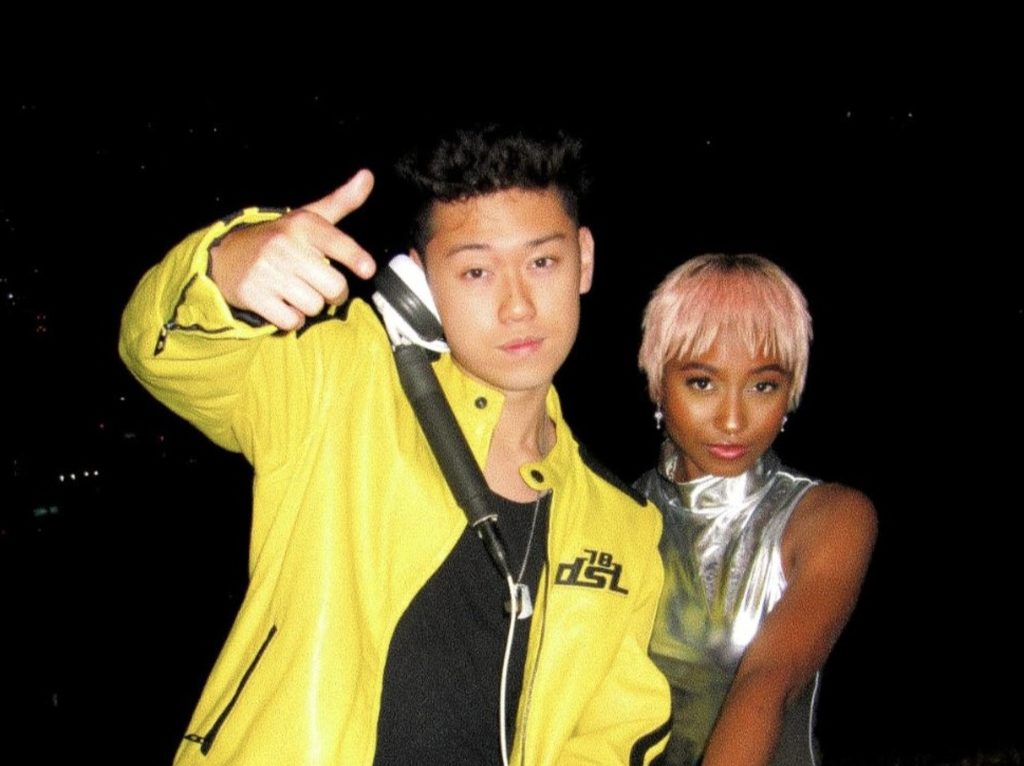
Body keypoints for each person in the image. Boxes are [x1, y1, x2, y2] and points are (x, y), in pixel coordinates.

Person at [118, 124, 671, 765]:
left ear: (585, 260)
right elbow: (160, 351)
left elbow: (613, 735)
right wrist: (226, 266)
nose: (518, 306)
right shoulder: (340, 382)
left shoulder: (624, 526)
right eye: (476, 271)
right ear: (420, 282)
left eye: (542, 262)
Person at [634, 254, 877, 766]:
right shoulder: (613, 515)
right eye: (702, 382)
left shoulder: (827, 517)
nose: (732, 419)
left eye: (763, 385)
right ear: (658, 383)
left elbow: (767, 683)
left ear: (790, 392)